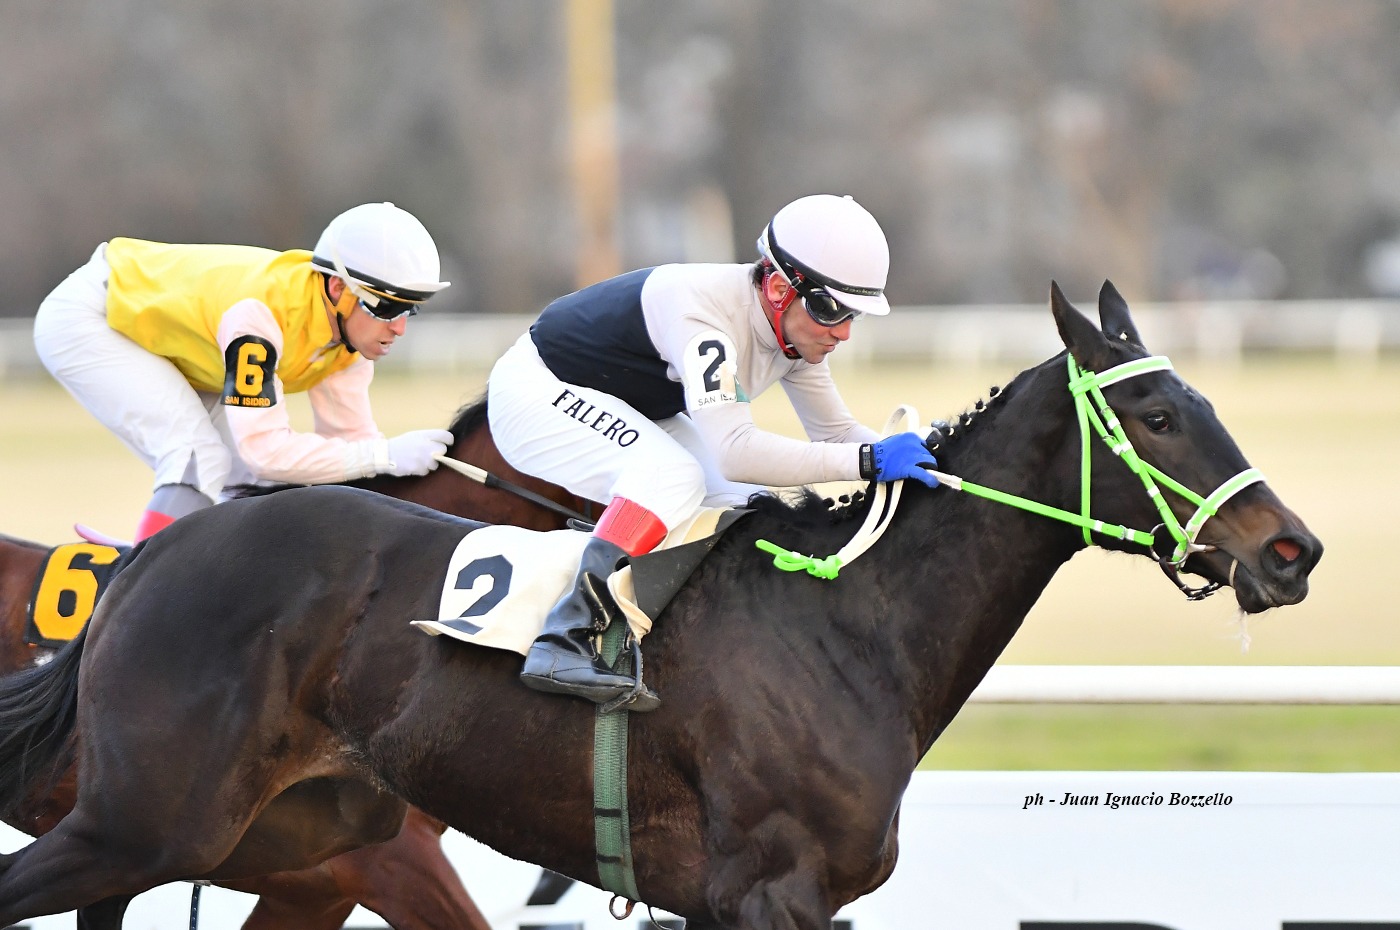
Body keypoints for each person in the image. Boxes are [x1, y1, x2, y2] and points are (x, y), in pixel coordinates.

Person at [487, 193, 940, 711]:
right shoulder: (705, 315)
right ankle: (566, 637)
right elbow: (736, 451)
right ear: (778, 288)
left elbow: (835, 434)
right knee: (673, 477)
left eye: (853, 313)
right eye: (831, 309)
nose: (843, 332)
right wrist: (871, 461)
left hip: (622, 400)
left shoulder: (796, 332)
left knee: (745, 501)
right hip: (536, 392)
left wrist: (930, 454)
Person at [33, 202, 456, 541]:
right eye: (387, 307)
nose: (399, 328)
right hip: (93, 317)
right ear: (337, 288)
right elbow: (266, 451)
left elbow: (350, 449)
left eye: (410, 309)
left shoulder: (349, 341)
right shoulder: (260, 315)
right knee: (198, 459)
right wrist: (384, 455)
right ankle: (134, 590)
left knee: (255, 486)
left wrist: (393, 467)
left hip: (173, 342)